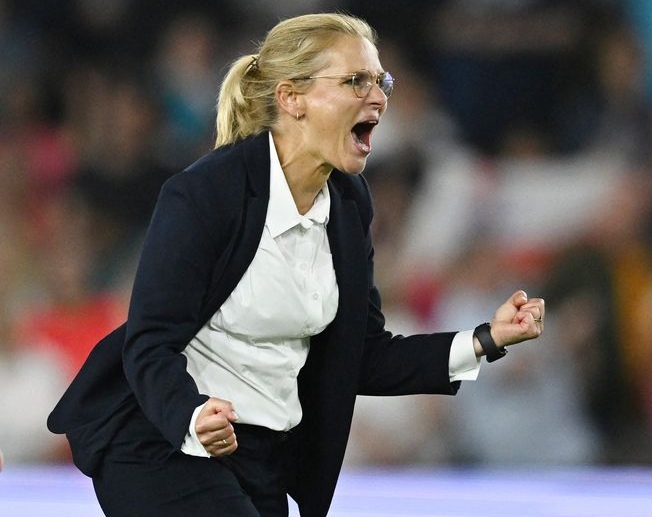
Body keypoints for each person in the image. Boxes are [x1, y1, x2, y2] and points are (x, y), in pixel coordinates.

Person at [47, 13, 545, 517]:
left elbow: (365, 354)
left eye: (381, 82)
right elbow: (150, 342)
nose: (378, 97)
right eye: (356, 81)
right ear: (291, 98)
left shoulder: (349, 203)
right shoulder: (207, 192)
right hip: (161, 444)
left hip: (259, 459)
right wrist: (192, 417)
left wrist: (487, 339)